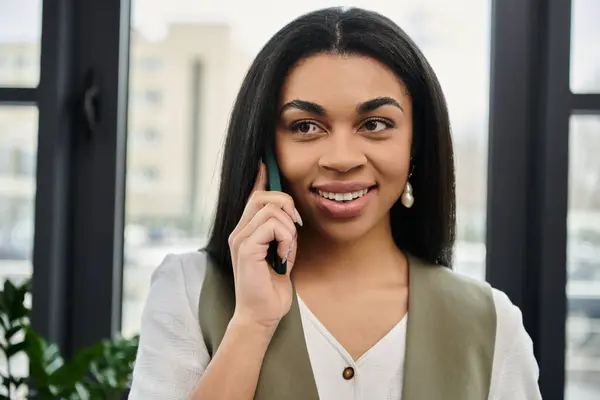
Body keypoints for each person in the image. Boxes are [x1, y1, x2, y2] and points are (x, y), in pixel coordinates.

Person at [129, 7, 542, 400]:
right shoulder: (187, 288)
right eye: (306, 126)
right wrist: (252, 323)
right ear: (266, 149)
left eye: (376, 124)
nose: (342, 158)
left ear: (415, 145)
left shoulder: (490, 322)